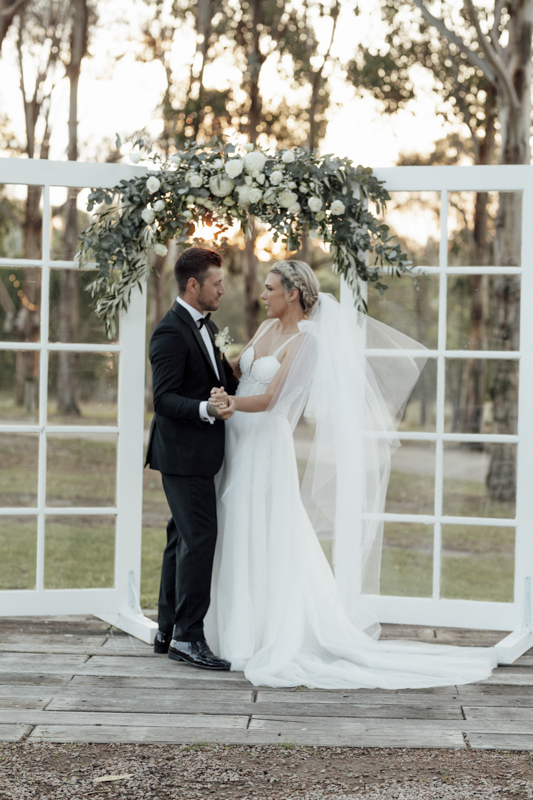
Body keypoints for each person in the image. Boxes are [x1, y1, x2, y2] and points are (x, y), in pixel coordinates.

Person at [204, 260, 497, 689]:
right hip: (237, 440)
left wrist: (229, 405)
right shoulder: (266, 330)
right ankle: (231, 629)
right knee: (234, 529)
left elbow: (271, 398)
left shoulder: (308, 343)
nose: (262, 295)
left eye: (270, 288)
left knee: (263, 529)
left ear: (294, 294)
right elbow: (239, 372)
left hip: (266, 444)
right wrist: (219, 379)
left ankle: (261, 636)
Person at [145, 247, 238, 670]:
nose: (223, 289)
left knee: (180, 539)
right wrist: (207, 409)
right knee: (200, 539)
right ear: (193, 285)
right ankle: (189, 636)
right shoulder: (170, 332)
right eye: (217, 283)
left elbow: (217, 378)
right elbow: (163, 400)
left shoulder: (206, 324)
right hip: (183, 455)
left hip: (197, 454)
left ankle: (167, 629)